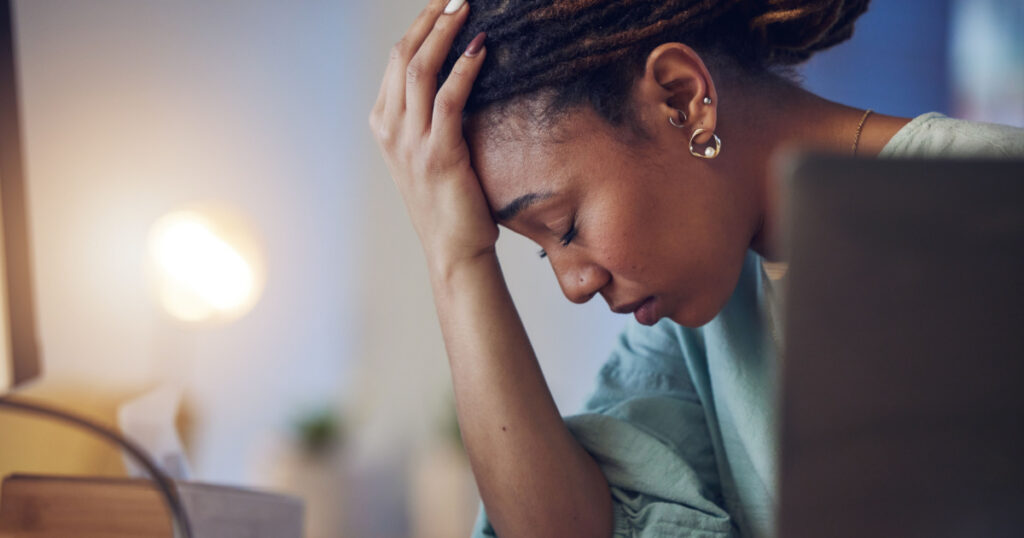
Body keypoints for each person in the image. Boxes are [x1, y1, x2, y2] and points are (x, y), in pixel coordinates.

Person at [368, 0, 1024, 536]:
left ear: (683, 98)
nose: (574, 285)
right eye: (544, 249)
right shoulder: (693, 327)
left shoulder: (994, 208)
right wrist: (457, 256)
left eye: (566, 226)